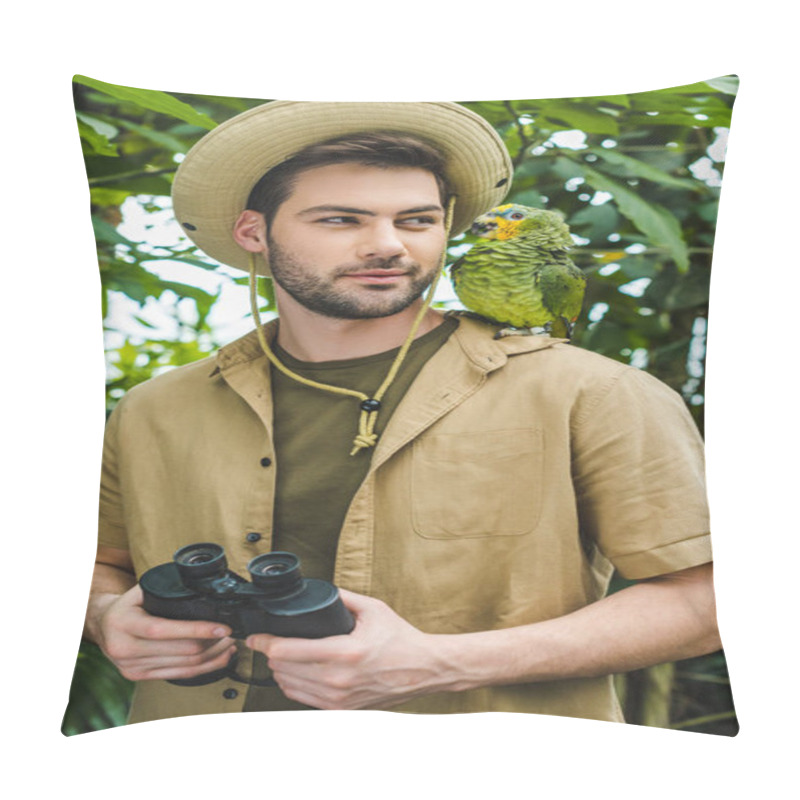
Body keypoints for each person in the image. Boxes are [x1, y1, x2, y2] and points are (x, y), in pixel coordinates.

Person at [82, 100, 721, 724]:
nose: (387, 246)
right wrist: (109, 615)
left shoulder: (592, 393)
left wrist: (444, 662)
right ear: (254, 232)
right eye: (340, 220)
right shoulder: (154, 410)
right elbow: (95, 566)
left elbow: (708, 600)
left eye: (416, 220)